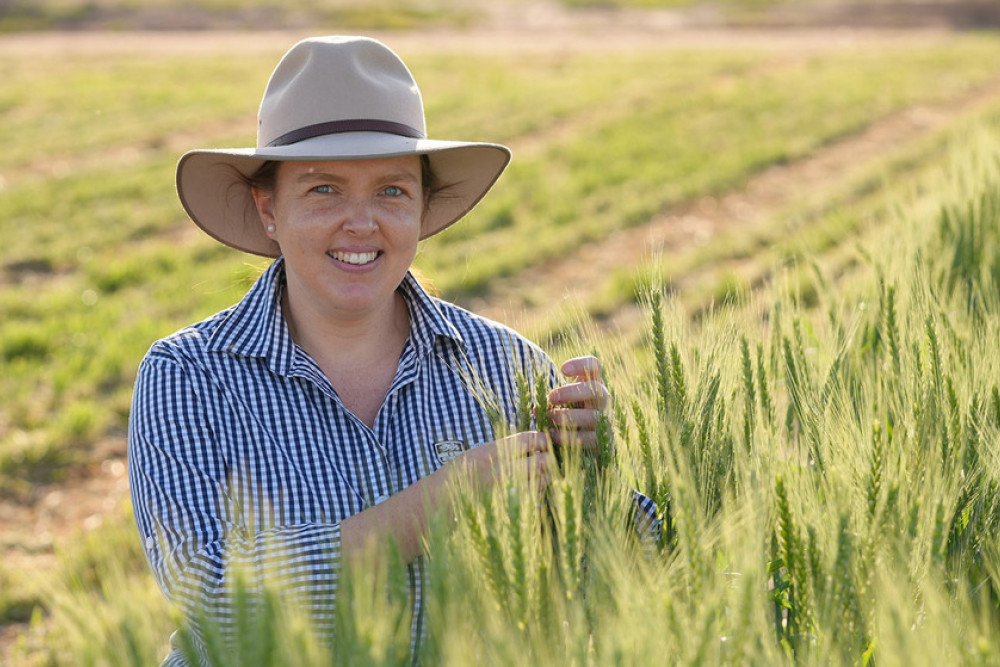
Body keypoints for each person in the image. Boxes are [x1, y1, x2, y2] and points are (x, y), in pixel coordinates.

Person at [128, 35, 655, 665]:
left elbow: (608, 573)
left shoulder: (505, 367)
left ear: (424, 209)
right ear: (268, 209)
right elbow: (216, 602)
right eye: (324, 189)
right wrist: (446, 499)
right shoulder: (189, 376)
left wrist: (595, 471)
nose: (361, 222)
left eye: (392, 191)